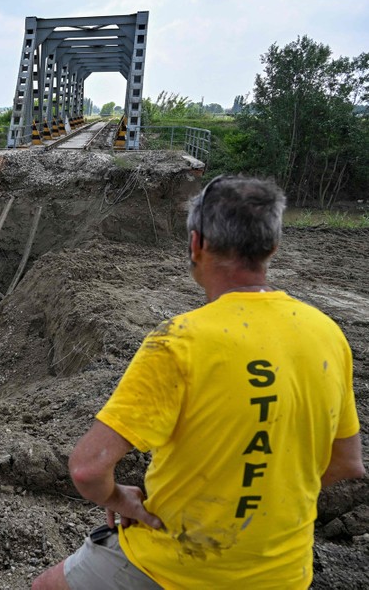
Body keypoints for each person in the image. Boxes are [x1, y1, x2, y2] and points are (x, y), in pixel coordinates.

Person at [32, 176, 364, 589]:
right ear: (272, 248)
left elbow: (87, 469)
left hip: (178, 562)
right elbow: (347, 463)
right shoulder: (328, 334)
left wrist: (120, 500)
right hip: (283, 572)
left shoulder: (180, 342)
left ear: (196, 244)